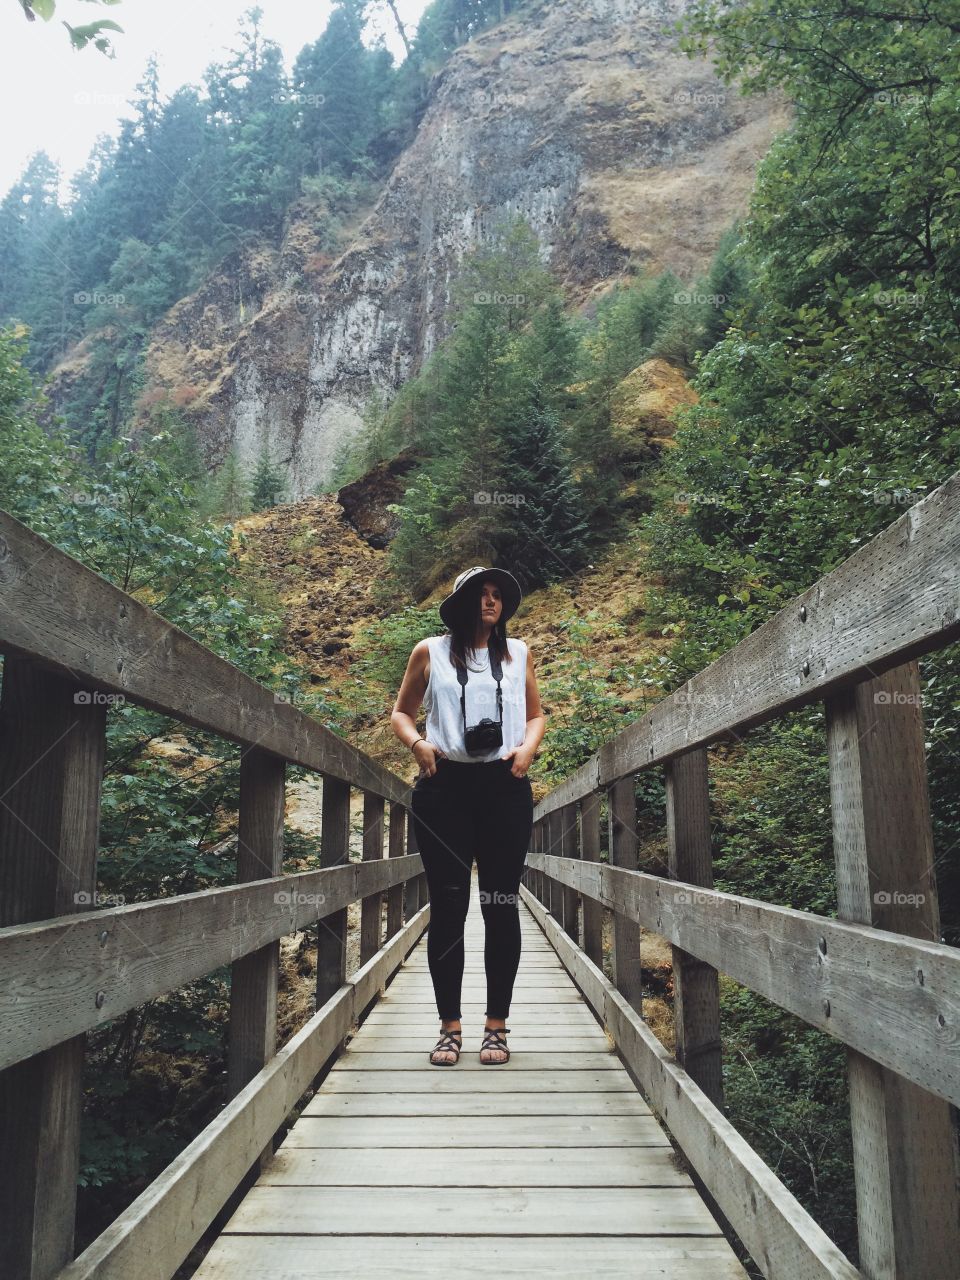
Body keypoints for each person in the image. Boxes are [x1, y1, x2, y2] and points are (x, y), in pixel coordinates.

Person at [391, 566, 546, 1065]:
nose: (490, 601)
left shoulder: (518, 653)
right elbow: (401, 712)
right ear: (460, 602)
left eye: (497, 594)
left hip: (504, 786)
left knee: (501, 904)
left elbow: (536, 715)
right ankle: (449, 1027)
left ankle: (496, 1026)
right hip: (445, 788)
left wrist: (527, 750)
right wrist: (417, 744)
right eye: (481, 594)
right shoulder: (429, 652)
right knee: (448, 906)